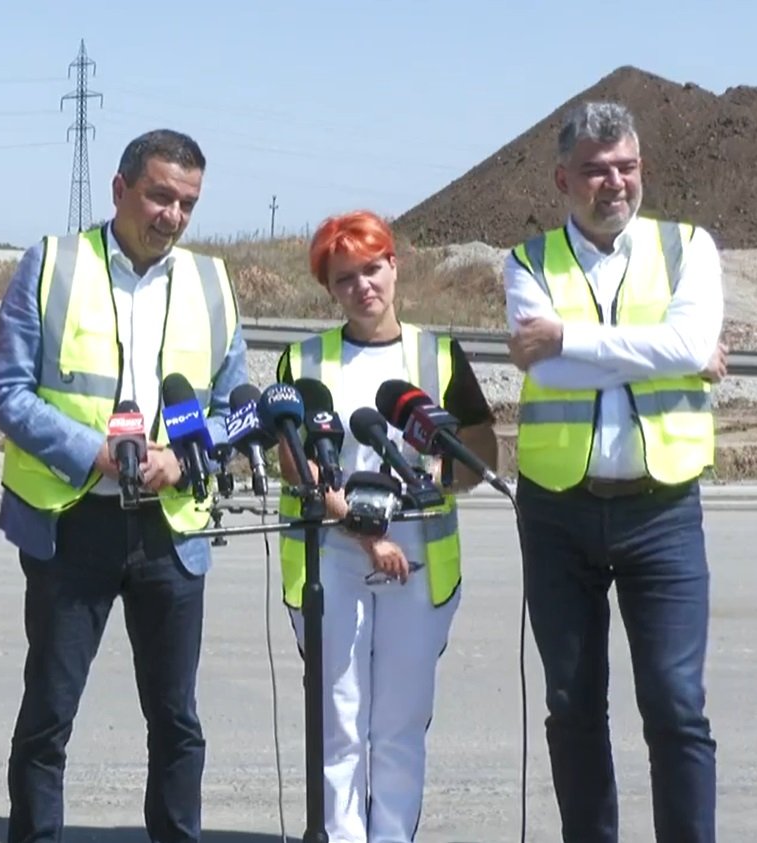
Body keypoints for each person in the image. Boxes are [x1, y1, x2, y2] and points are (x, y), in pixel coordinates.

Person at [0, 128, 247, 843]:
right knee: (48, 715)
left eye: (187, 203)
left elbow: (237, 406)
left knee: (176, 719)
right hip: (74, 523)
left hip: (171, 529)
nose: (172, 215)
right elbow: (4, 392)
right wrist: (93, 453)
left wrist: (185, 458)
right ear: (120, 188)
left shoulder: (211, 282)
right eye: (160, 196)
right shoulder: (52, 263)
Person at [504, 100, 723, 843]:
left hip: (662, 512)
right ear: (562, 179)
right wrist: (668, 351)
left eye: (626, 166)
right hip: (556, 512)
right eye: (596, 170)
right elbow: (553, 373)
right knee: (571, 705)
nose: (614, 182)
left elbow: (685, 343)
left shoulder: (687, 247)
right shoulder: (527, 263)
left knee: (675, 704)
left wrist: (568, 337)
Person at [274, 210, 498, 842]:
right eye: (344, 278)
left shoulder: (438, 355)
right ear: (328, 288)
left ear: (394, 266)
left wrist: (442, 470)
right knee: (339, 723)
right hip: (332, 558)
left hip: (419, 562)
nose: (362, 286)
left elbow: (482, 453)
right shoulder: (305, 360)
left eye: (372, 269)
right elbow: (294, 466)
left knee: (399, 726)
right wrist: (363, 531)